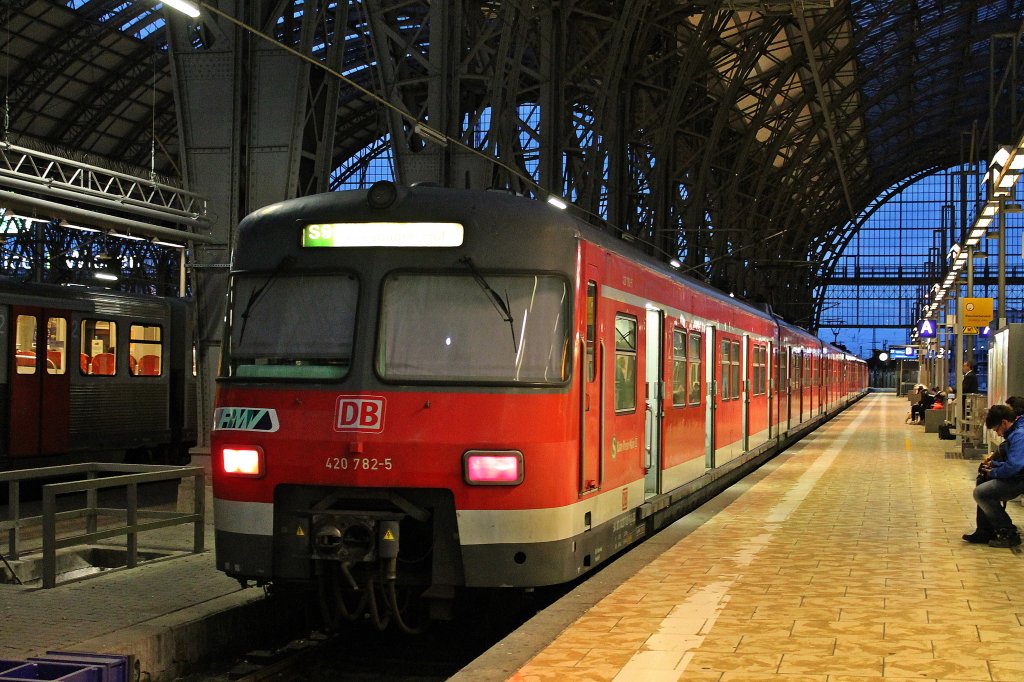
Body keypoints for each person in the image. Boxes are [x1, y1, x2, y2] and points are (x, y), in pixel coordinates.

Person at [963, 403, 1024, 547]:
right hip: (1018, 475)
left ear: (1004, 422)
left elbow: (1015, 466)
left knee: (981, 493)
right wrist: (994, 466)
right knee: (983, 479)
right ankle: (985, 530)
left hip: (1020, 479)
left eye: (997, 429)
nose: (997, 434)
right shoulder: (1016, 431)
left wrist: (994, 472)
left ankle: (1008, 532)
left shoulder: (1019, 435)